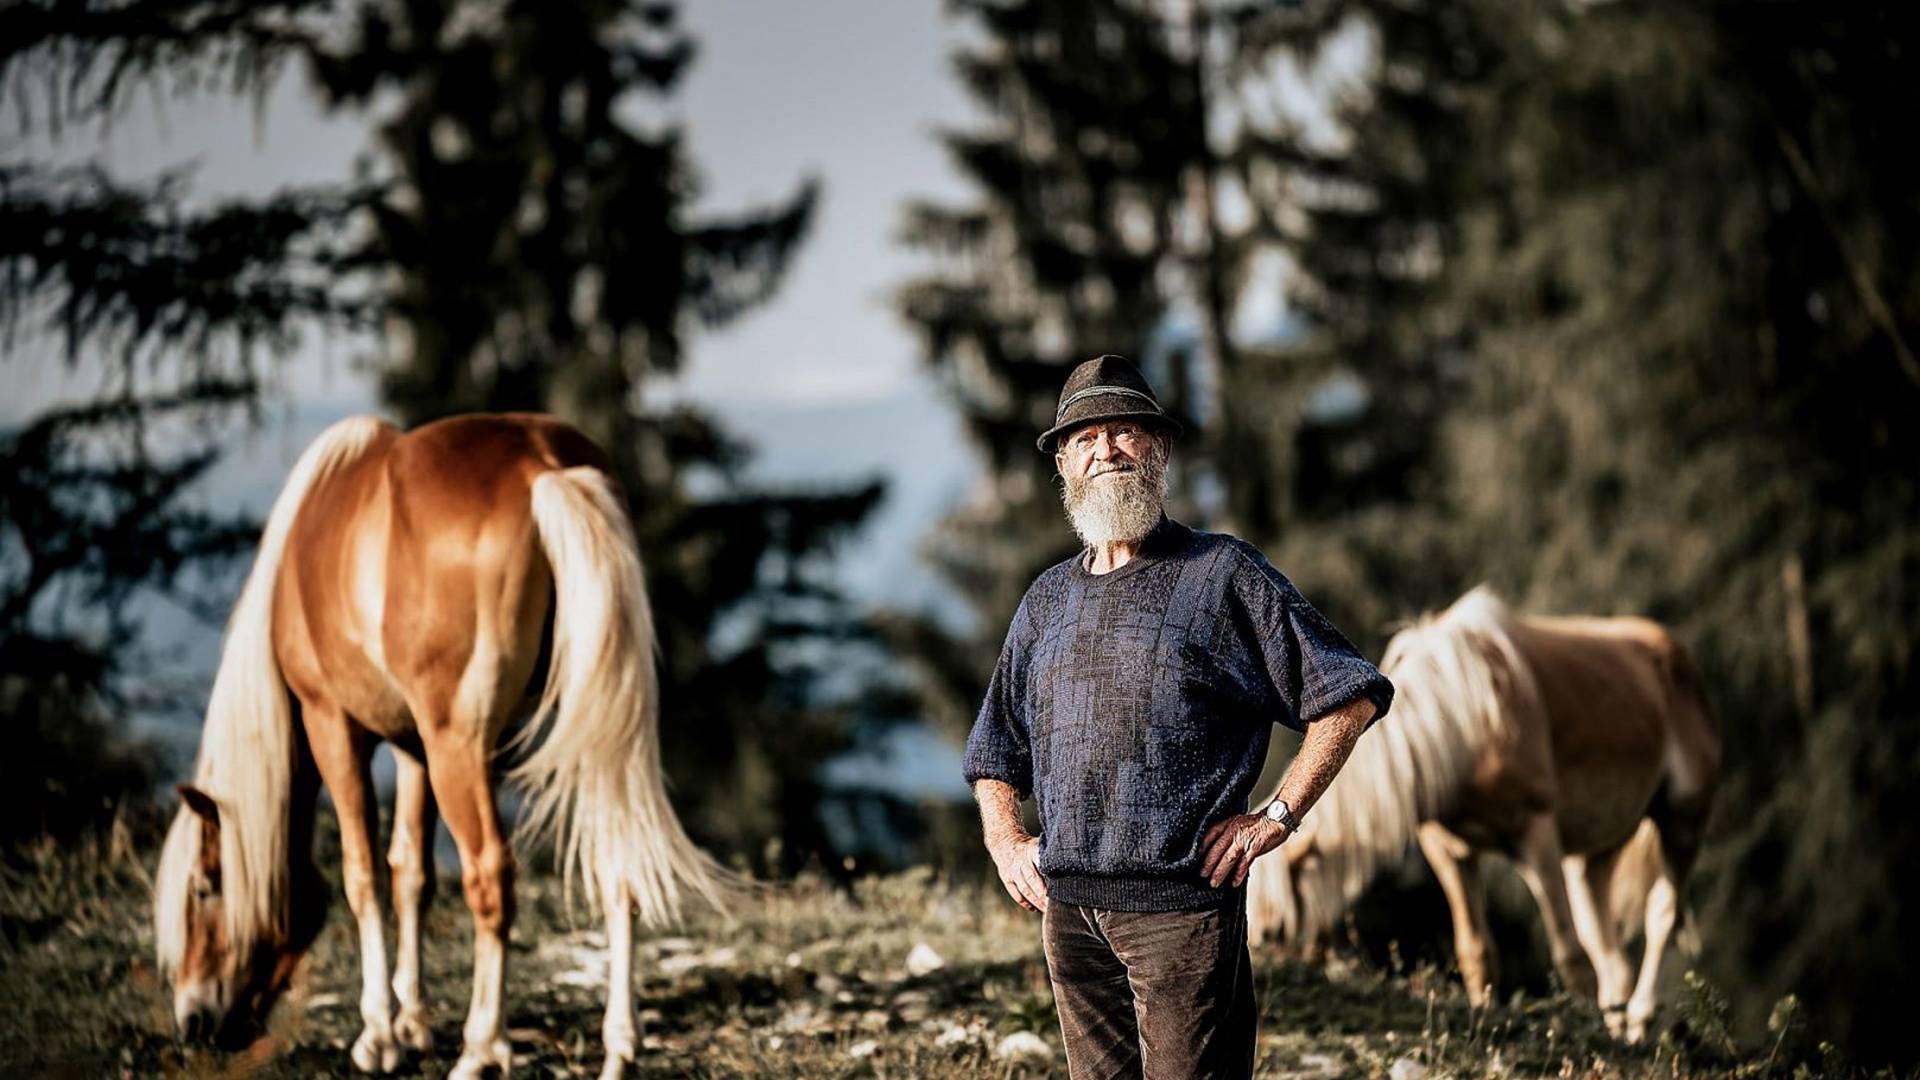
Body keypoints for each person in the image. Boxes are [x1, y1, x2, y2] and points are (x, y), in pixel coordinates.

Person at [964, 354, 1394, 1080]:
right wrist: (1007, 841)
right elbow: (994, 750)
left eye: (1125, 431)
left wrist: (1278, 814)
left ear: (1157, 450)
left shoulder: (1222, 574)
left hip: (1182, 915)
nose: (1106, 451)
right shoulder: (1045, 601)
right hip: (1070, 919)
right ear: (1064, 462)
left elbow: (1348, 693)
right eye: (1086, 438)